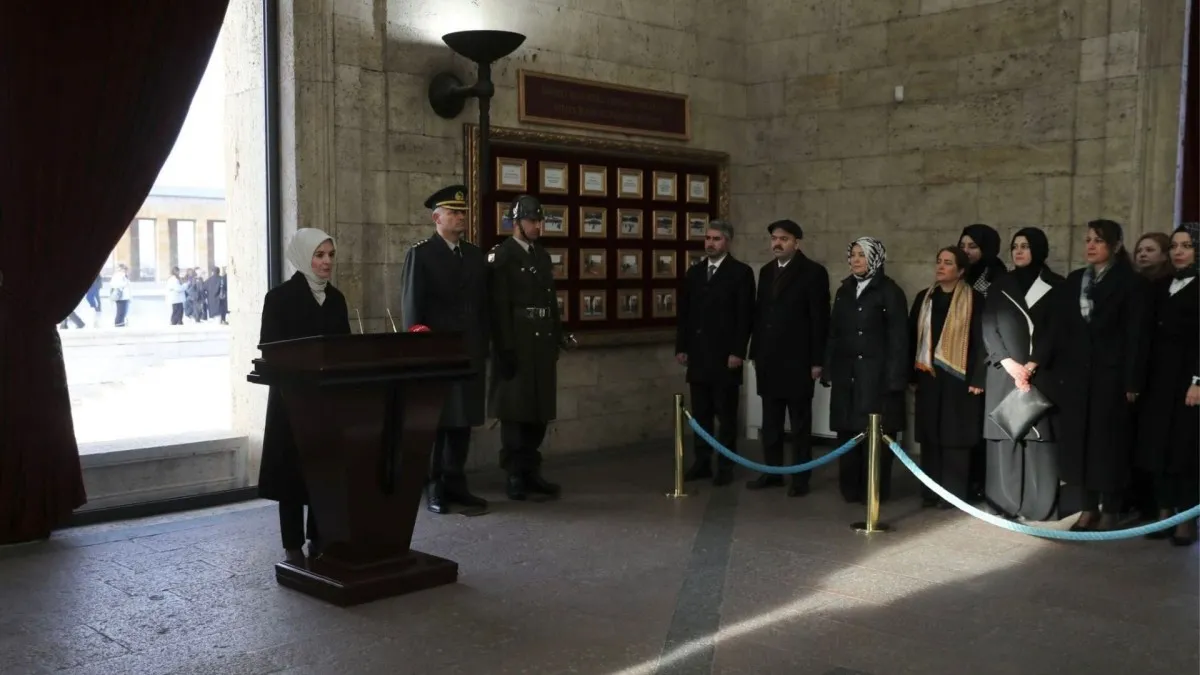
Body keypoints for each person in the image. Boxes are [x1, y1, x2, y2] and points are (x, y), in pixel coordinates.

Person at [1049, 219, 1151, 531]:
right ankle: (1088, 507)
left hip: (1112, 377)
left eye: (1099, 240)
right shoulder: (1076, 279)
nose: (1091, 246)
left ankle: (1112, 509)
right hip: (1079, 378)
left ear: (1117, 245)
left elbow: (1137, 335)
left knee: (1110, 445)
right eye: (1088, 240)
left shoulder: (1131, 282)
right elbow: (1063, 329)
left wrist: (1133, 380)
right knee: (1081, 444)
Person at [258, 228, 350, 560]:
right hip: (292, 401)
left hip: (327, 402)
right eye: (319, 255)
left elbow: (345, 349)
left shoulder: (337, 299)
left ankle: (320, 538)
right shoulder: (279, 299)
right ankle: (292, 545)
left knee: (324, 472)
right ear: (302, 257)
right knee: (291, 475)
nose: (326, 262)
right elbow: (270, 351)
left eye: (330, 255)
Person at [402, 185, 490, 515]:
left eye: (463, 212)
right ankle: (435, 485)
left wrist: (484, 344)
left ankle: (457, 482)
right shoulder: (422, 254)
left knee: (463, 419)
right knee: (440, 421)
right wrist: (419, 348)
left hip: (469, 350)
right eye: (453, 212)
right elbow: (412, 307)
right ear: (436, 218)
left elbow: (482, 305)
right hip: (438, 351)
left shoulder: (474, 255)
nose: (460, 217)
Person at [981, 227, 1065, 521]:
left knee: (1039, 439)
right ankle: (1004, 503)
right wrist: (1008, 362)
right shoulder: (998, 284)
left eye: (1025, 246)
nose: (1018, 251)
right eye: (1015, 245)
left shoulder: (1056, 285)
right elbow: (989, 326)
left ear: (1039, 250)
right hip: (1005, 372)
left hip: (1039, 373)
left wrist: (1031, 365)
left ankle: (1039, 506)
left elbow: (1056, 331)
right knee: (1006, 435)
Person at [487, 195, 565, 501]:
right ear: (516, 222)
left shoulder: (541, 257)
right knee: (516, 414)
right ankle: (515, 474)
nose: (537, 226)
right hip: (516, 342)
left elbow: (550, 302)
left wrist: (558, 334)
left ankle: (532, 471)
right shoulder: (503, 256)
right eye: (532, 221)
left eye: (539, 221)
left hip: (541, 343)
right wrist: (504, 347)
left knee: (538, 411)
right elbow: (498, 306)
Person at [746, 219, 829, 497]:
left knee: (800, 423)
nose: (777, 243)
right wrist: (755, 351)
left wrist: (817, 361)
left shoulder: (813, 272)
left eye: (783, 238)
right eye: (774, 238)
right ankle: (772, 472)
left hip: (798, 360)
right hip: (769, 359)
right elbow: (760, 315)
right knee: (770, 421)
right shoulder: (766, 271)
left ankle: (800, 478)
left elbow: (819, 319)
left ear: (797, 242)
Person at [824, 237, 908, 504]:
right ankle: (850, 488)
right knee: (847, 432)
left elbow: (899, 339)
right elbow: (834, 333)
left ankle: (874, 490)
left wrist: (895, 379)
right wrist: (829, 368)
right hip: (846, 375)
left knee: (875, 435)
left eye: (862, 255)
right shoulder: (844, 289)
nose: (856, 260)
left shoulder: (890, 292)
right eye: (853, 254)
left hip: (877, 377)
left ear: (875, 258)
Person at [674, 219, 755, 487]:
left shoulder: (740, 273)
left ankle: (725, 465)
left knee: (726, 415)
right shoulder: (695, 273)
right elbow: (684, 314)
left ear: (728, 241)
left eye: (716, 239)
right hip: (698, 355)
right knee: (701, 414)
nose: (710, 243)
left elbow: (745, 316)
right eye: (707, 238)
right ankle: (702, 462)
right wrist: (682, 347)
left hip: (725, 357)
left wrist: (737, 351)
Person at [909, 246, 987, 508]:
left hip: (960, 379)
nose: (940, 267)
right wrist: (911, 374)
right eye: (938, 261)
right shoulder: (925, 298)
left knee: (955, 437)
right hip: (929, 377)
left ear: (961, 270)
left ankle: (953, 495)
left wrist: (979, 378)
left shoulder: (975, 300)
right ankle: (930, 492)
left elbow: (982, 343)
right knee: (931, 435)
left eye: (948, 263)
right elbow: (913, 338)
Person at [1137, 223, 1199, 546]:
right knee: (1157, 446)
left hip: (1189, 381)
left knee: (1185, 451)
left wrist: (1198, 381)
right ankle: (1163, 514)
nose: (1178, 251)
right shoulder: (1161, 286)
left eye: (1186, 245)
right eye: (1174, 245)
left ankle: (1186, 520)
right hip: (1158, 380)